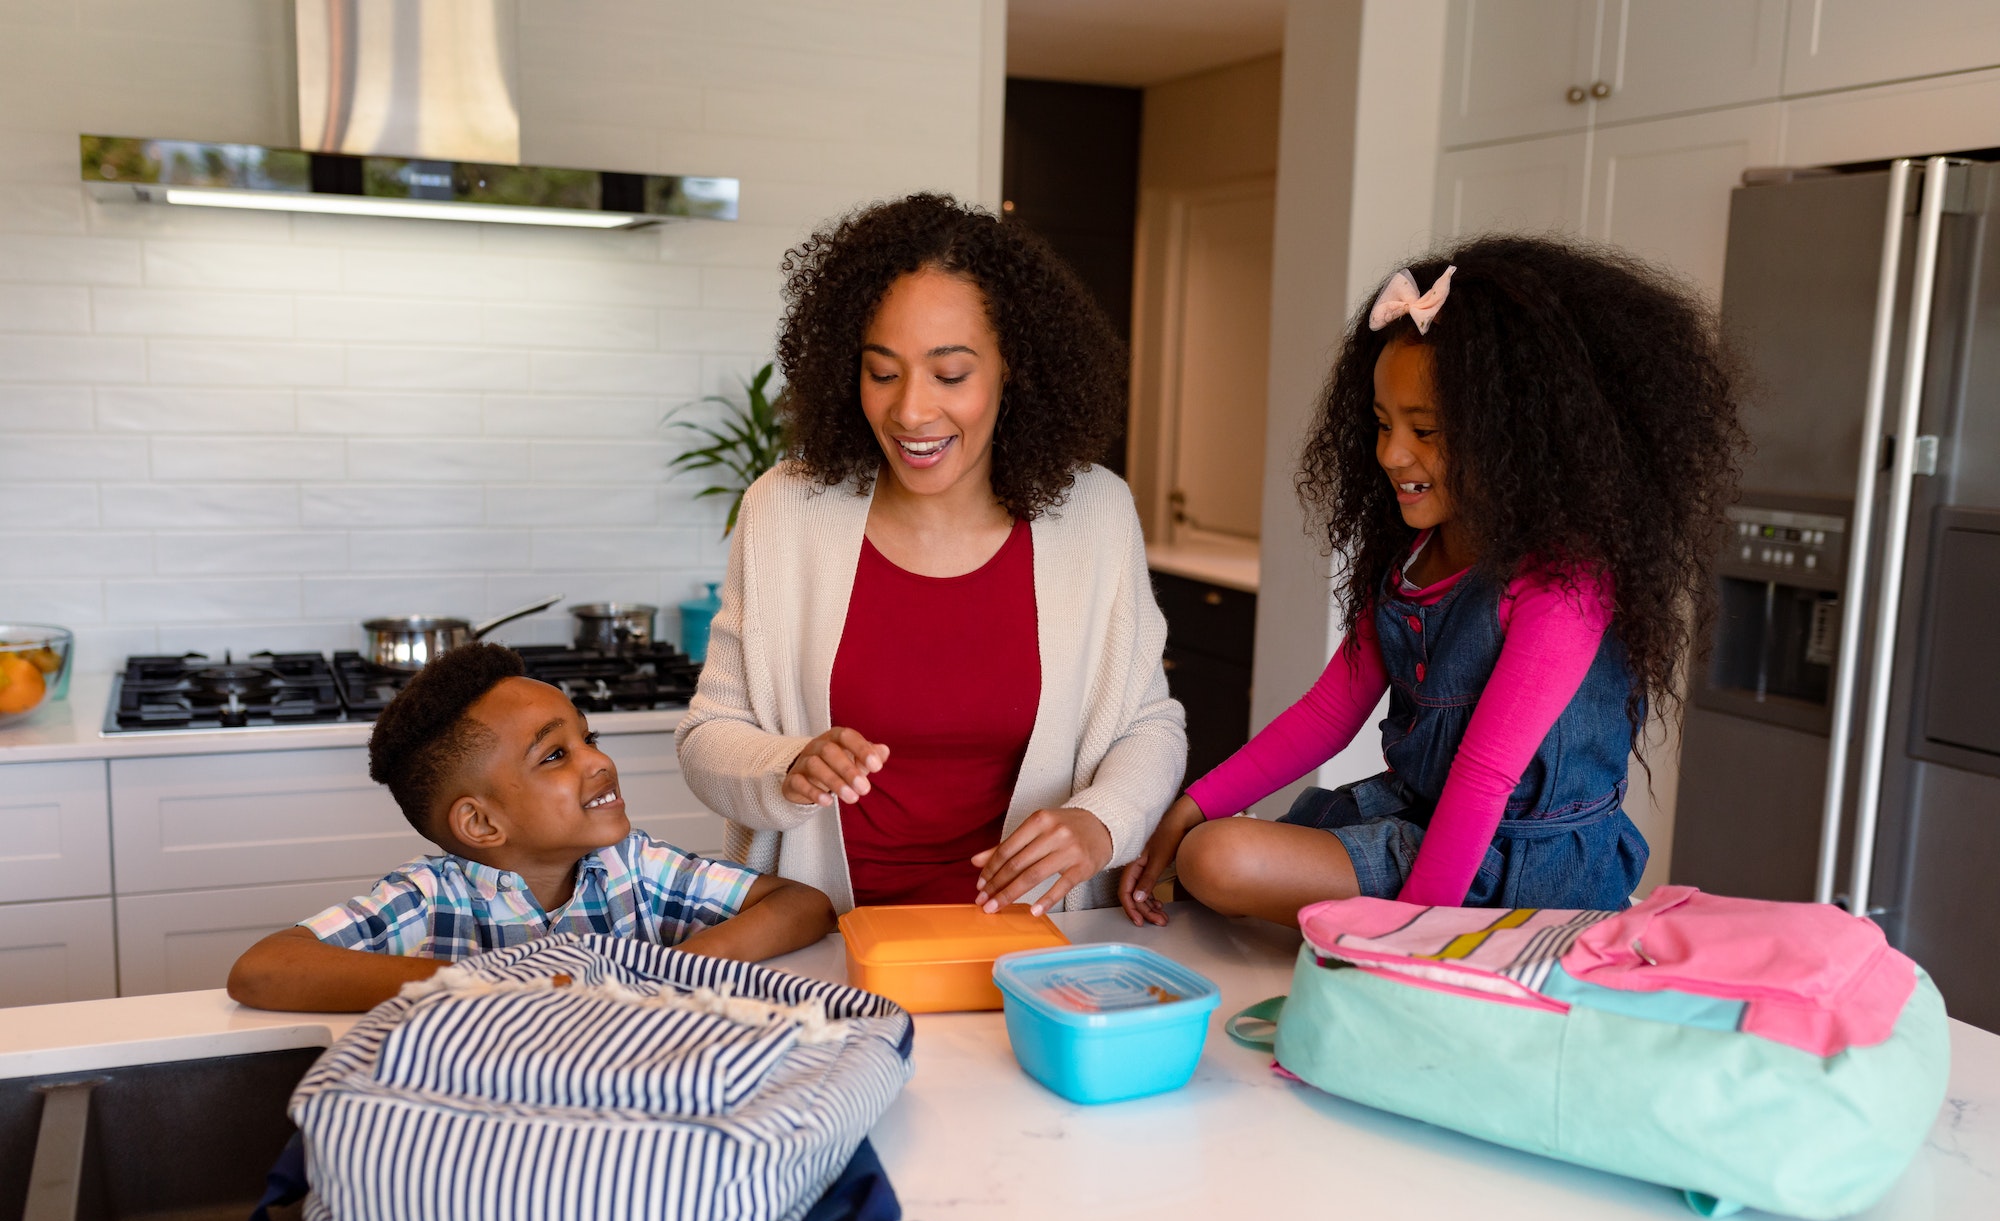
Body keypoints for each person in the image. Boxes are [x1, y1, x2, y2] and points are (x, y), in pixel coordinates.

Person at [1120, 235, 1745, 928]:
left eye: (1427, 430)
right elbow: (1326, 716)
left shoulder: (1563, 586)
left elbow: (1484, 779)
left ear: (1516, 438)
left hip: (1520, 863)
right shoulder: (1412, 559)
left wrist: (1414, 947)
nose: (1391, 454)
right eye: (1383, 424)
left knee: (1219, 861)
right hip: (1421, 818)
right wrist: (1189, 804)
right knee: (1212, 851)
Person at [676, 193, 1185, 916]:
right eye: (883, 372)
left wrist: (1101, 822)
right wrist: (786, 765)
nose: (911, 410)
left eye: (950, 374)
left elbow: (1147, 725)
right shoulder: (784, 510)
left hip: (1030, 943)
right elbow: (707, 739)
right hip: (825, 941)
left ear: (1014, 368)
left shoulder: (1094, 514)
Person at [227, 644, 834, 1012]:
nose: (598, 761)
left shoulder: (636, 869)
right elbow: (262, 969)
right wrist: (489, 985)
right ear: (481, 823)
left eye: (587, 738)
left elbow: (802, 905)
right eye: (554, 755)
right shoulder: (429, 900)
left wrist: (681, 965)